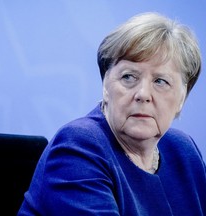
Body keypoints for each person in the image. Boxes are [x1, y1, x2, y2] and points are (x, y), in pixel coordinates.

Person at [18, 12, 206, 215]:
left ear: (181, 98)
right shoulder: (78, 145)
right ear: (105, 87)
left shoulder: (183, 150)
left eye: (161, 81)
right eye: (128, 77)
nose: (143, 94)